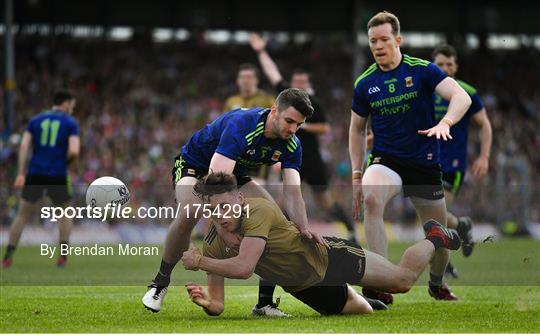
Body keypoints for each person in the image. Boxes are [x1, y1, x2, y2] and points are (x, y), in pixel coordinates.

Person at [142, 88, 326, 315]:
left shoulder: (292, 144)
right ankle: (159, 284)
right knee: (190, 212)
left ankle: (264, 304)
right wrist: (223, 230)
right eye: (289, 121)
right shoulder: (242, 125)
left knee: (273, 217)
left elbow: (293, 193)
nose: (292, 129)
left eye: (298, 124)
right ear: (274, 111)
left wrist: (303, 229)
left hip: (233, 172)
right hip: (195, 165)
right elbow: (215, 188)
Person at [180, 172, 462, 316]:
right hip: (305, 287)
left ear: (239, 199)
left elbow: (244, 268)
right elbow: (218, 304)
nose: (222, 215)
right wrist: (207, 302)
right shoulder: (213, 242)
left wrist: (201, 262)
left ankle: (434, 237)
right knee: (366, 311)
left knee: (401, 281)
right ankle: (359, 296)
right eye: (214, 210)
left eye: (226, 206)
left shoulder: (257, 211)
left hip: (330, 257)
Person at [348, 11, 471, 303]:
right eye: (372, 41)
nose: (378, 46)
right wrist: (356, 173)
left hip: (424, 162)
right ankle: (378, 281)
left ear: (398, 40)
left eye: (384, 39)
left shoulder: (422, 70)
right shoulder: (365, 83)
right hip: (386, 160)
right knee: (373, 198)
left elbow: (461, 97)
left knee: (436, 236)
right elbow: (355, 130)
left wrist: (445, 123)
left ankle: (437, 283)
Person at [249, 32, 358, 243]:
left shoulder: (313, 103)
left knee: (325, 202)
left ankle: (351, 229)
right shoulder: (286, 97)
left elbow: (325, 128)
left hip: (311, 158)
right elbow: (272, 73)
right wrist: (261, 51)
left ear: (308, 84)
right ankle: (287, 235)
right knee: (285, 198)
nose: (298, 84)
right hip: (289, 157)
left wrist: (302, 125)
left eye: (302, 81)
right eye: (295, 81)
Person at [431, 44, 493, 278]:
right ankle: (461, 226)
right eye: (440, 64)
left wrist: (484, 156)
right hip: (424, 161)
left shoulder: (466, 92)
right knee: (430, 215)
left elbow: (485, 124)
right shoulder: (424, 91)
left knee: (435, 214)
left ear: (456, 66)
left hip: (452, 165)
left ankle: (445, 266)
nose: (445, 68)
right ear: (432, 66)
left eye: (449, 64)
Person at [2, 89, 80, 268]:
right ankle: (62, 257)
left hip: (35, 172)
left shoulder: (35, 120)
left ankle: (8, 256)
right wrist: (66, 163)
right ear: (66, 103)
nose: (72, 110)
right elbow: (74, 150)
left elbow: (23, 146)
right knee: (66, 213)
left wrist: (21, 172)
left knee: (22, 214)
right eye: (72, 106)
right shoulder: (70, 122)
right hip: (58, 173)